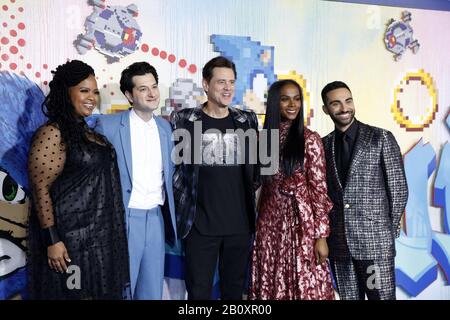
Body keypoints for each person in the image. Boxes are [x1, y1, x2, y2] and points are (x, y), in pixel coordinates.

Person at [27, 60, 130, 299]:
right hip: (70, 243)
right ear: (66, 92)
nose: (92, 97)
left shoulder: (90, 133)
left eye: (95, 91)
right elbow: (40, 188)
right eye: (84, 90)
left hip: (101, 239)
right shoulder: (52, 133)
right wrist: (53, 240)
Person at [171, 56, 258, 300]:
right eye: (221, 82)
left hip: (239, 226)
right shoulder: (185, 120)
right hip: (200, 227)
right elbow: (174, 168)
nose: (228, 88)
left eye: (231, 82)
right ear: (206, 84)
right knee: (199, 292)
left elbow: (256, 171)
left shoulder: (247, 120)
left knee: (234, 291)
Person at [95, 62, 177, 300]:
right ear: (129, 95)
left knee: (151, 291)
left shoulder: (166, 127)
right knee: (122, 289)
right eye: (143, 89)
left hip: (156, 218)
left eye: (154, 86)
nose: (152, 93)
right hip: (124, 218)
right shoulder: (108, 126)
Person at [321, 81, 408, 300]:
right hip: (340, 246)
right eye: (336, 103)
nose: (344, 108)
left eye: (348, 101)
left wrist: (385, 229)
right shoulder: (323, 145)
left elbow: (398, 189)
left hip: (374, 246)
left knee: (380, 297)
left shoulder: (380, 138)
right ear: (326, 109)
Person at [249, 79, 334, 300]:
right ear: (275, 103)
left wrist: (321, 236)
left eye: (297, 99)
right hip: (269, 226)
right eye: (285, 99)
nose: (292, 104)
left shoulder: (310, 139)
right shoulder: (263, 139)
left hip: (300, 227)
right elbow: (254, 183)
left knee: (304, 286)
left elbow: (319, 191)